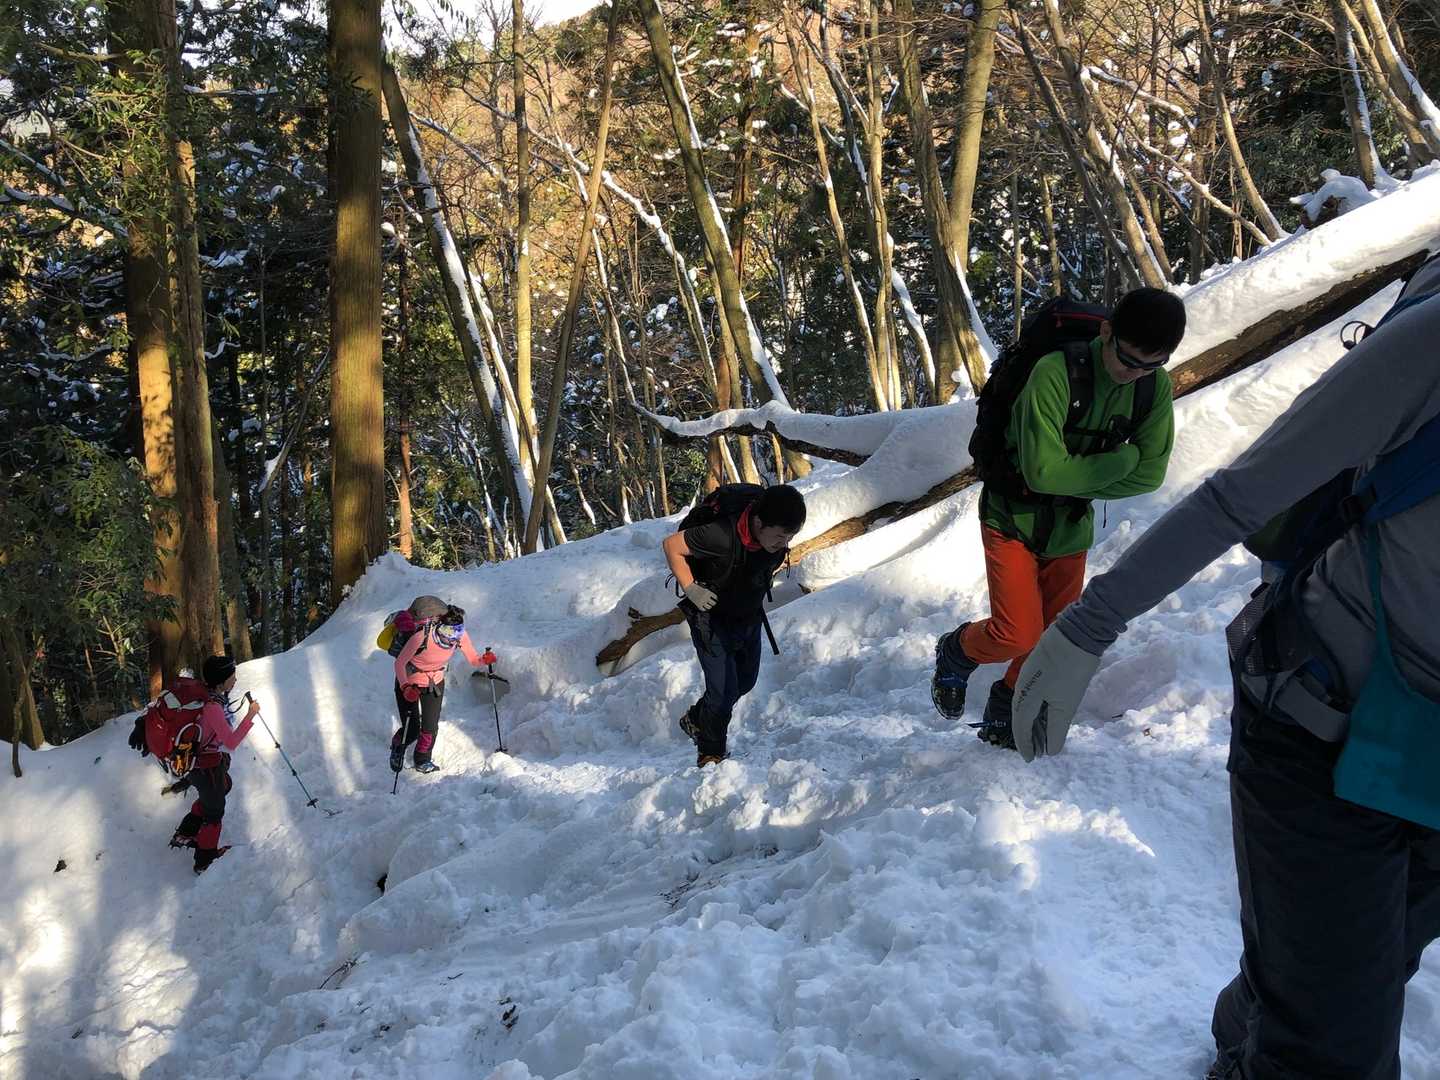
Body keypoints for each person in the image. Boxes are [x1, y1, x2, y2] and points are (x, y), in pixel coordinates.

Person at [1009, 259, 1440, 1078]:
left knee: (1368, 965)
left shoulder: (1143, 393)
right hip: (1319, 721)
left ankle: (1257, 1014)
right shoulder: (1431, 348)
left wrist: (1092, 469)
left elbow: (1139, 466)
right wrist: (1086, 628)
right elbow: (1229, 497)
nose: (1135, 372)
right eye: (1127, 356)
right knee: (1333, 1046)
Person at [932, 287, 1186, 749]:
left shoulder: (1154, 386)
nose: (1133, 374)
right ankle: (957, 649)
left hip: (1070, 525)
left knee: (1050, 637)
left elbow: (1151, 475)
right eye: (1127, 359)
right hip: (1011, 517)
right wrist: (1122, 460)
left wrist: (1075, 477)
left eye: (1150, 365)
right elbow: (1043, 473)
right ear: (1106, 332)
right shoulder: (1055, 373)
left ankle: (1006, 704)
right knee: (1017, 632)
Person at [662, 484, 806, 767]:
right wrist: (691, 588)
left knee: (745, 681)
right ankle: (711, 755)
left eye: (790, 537)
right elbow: (672, 546)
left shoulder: (771, 539)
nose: (784, 543)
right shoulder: (721, 535)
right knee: (722, 691)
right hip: (710, 618)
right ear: (758, 523)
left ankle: (696, 719)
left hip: (747, 614)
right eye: (780, 536)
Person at [165, 655, 260, 874]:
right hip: (205, 766)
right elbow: (231, 742)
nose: (235, 680)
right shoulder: (212, 707)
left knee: (223, 786)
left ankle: (186, 832)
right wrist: (250, 715)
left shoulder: (204, 696)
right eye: (232, 677)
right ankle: (205, 860)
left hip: (196, 762)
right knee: (215, 811)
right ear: (221, 681)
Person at [390, 598, 488, 773]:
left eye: (456, 635)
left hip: (434, 682)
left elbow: (473, 659)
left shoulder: (459, 635)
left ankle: (422, 760)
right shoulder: (421, 636)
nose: (452, 640)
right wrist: (405, 687)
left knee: (430, 728)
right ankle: (398, 746)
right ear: (440, 627)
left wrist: (484, 660)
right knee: (411, 728)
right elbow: (399, 664)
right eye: (448, 634)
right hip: (410, 682)